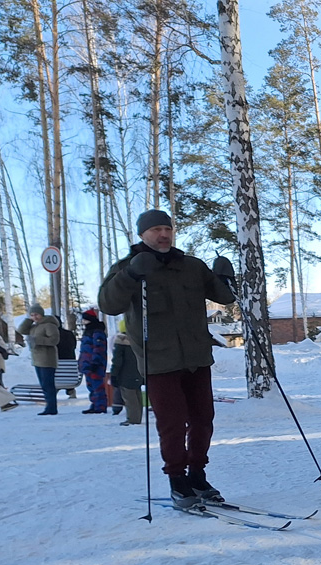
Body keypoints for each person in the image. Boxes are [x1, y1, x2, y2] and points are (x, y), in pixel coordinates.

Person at [98, 209, 236, 508]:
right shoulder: (127, 267)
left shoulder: (191, 267)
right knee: (172, 423)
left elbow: (225, 298)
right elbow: (108, 304)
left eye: (168, 229)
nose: (163, 234)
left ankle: (198, 476)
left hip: (197, 356)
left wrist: (226, 277)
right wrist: (132, 274)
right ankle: (177, 479)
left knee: (203, 419)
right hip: (158, 360)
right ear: (142, 234)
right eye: (156, 229)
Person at [17, 304, 61, 415]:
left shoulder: (49, 325)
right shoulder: (34, 326)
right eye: (32, 315)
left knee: (48, 384)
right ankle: (49, 406)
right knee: (44, 385)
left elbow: (54, 340)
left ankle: (51, 407)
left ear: (41, 314)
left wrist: (37, 340)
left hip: (47, 359)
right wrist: (28, 320)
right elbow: (21, 330)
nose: (34, 317)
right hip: (37, 359)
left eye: (36, 314)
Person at [109, 320, 143, 426]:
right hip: (138, 371)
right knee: (137, 395)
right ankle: (138, 417)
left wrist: (114, 373)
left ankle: (133, 419)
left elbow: (117, 360)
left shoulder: (121, 342)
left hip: (125, 374)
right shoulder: (138, 340)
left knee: (129, 397)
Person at [78, 309, 108, 414]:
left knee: (97, 385)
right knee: (91, 385)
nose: (83, 321)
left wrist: (96, 362)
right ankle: (95, 404)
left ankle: (100, 406)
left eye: (85, 319)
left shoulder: (97, 332)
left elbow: (98, 348)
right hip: (87, 363)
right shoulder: (88, 331)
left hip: (95, 364)